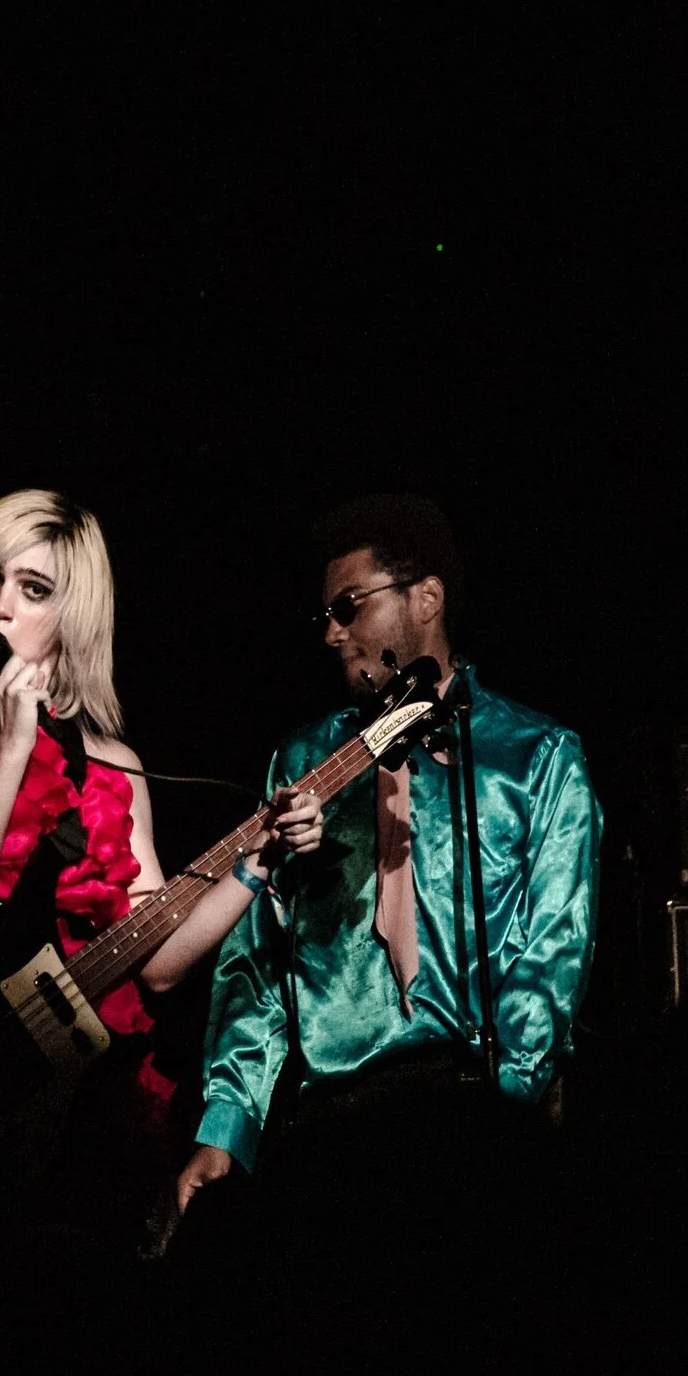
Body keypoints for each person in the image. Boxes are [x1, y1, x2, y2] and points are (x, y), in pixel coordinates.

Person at [0, 489, 325, 1227]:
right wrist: (14, 747)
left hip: (72, 1103)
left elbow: (156, 962)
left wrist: (259, 861)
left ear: (74, 617)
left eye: (33, 589)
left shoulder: (113, 764)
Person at [173, 492, 601, 1218]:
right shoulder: (304, 762)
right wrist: (226, 1127)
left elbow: (555, 947)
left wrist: (504, 1112)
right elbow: (260, 956)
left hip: (474, 1099)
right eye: (324, 616)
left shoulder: (539, 755)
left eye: (348, 607)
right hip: (329, 1121)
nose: (331, 633)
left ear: (426, 597)